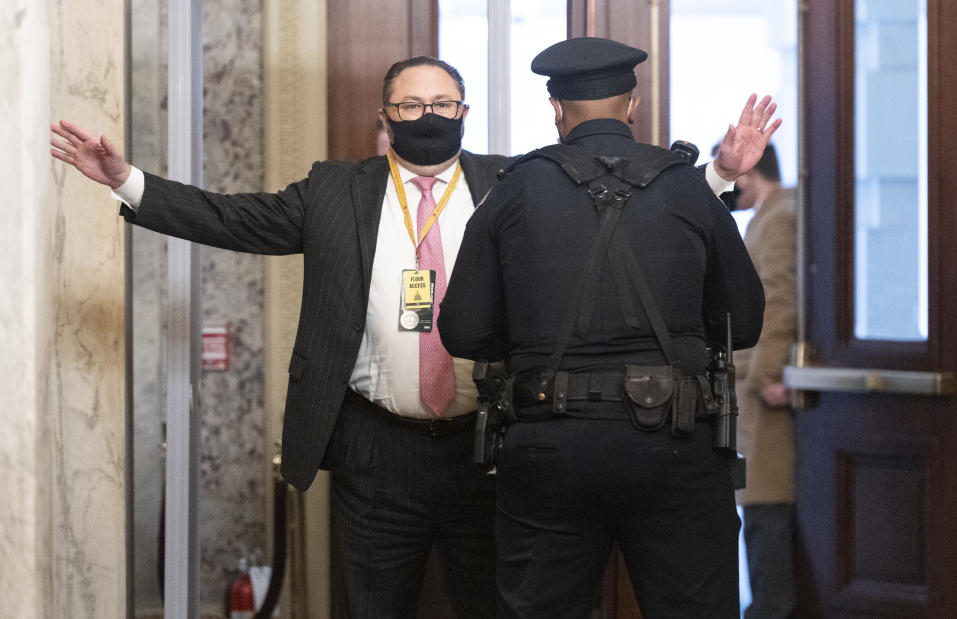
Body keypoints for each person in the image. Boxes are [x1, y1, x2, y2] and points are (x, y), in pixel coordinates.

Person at [52, 52, 772, 618]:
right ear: (384, 116)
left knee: (501, 604)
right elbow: (235, 218)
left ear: (463, 112)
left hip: (487, 446)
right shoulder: (336, 190)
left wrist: (715, 176)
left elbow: (634, 219)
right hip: (376, 449)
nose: (427, 115)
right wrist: (127, 180)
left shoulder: (517, 182)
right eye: (410, 104)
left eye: (441, 103)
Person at [439, 37, 774, 618]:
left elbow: (464, 332)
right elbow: (741, 324)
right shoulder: (687, 189)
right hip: (677, 443)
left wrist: (527, 343)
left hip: (548, 444)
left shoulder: (511, 191)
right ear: (633, 106)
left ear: (555, 107)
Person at [732, 144, 798, 619]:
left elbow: (778, 298)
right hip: (752, 386)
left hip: (764, 392)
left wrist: (769, 373)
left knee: (766, 512)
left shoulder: (779, 217)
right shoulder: (770, 214)